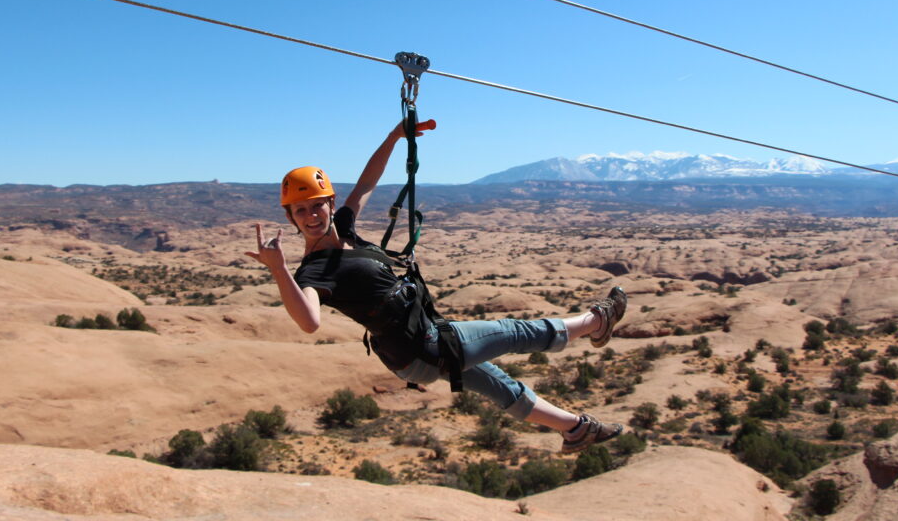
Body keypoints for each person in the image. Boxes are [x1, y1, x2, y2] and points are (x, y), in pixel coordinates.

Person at [246, 121, 628, 453]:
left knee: (497, 383)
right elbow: (309, 322)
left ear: (330, 203)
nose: (311, 216)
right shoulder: (313, 273)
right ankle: (596, 322)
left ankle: (576, 430)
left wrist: (395, 137)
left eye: (317, 205)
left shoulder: (344, 227)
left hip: (417, 346)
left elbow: (366, 183)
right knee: (514, 332)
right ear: (290, 217)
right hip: (420, 347)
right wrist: (279, 270)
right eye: (301, 210)